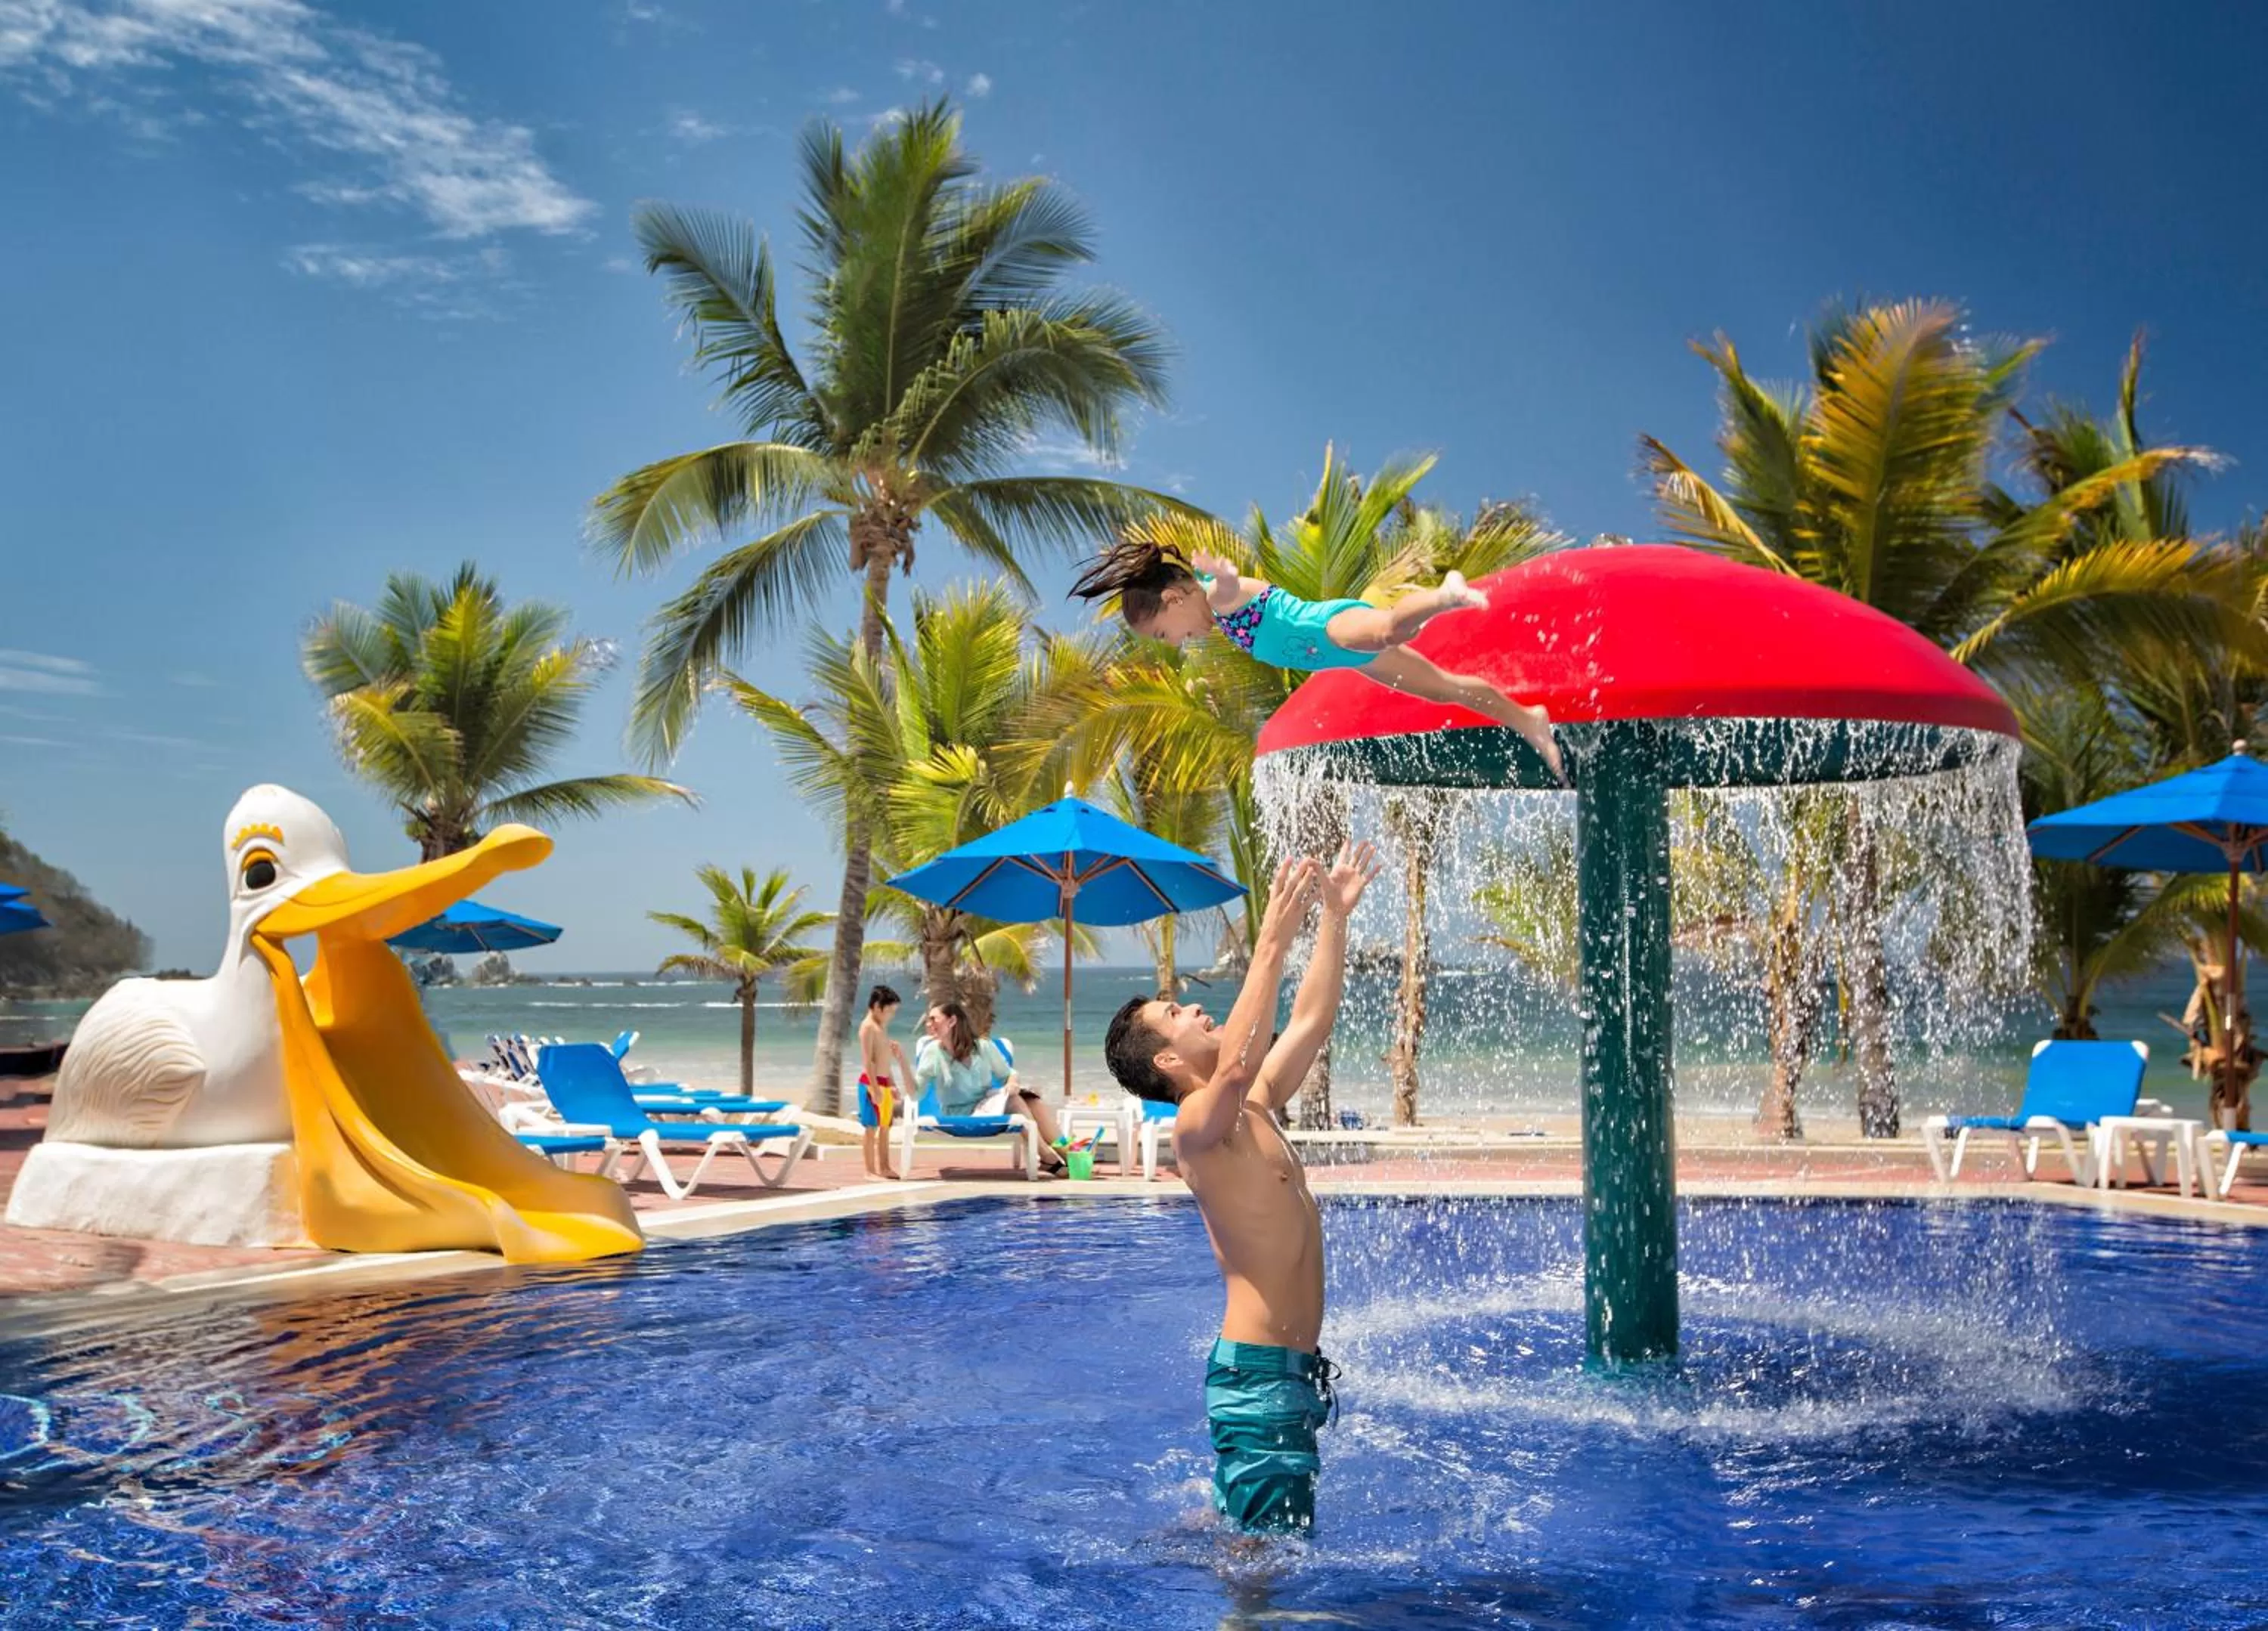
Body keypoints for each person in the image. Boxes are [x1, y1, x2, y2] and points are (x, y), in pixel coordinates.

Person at [1100, 842, 1380, 1537]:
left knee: (1257, 1540)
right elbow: (1231, 1070)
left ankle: (1187, 1537)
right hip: (1261, 1379)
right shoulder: (1197, 1124)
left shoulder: (1252, 1103)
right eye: (1175, 1013)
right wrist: (1274, 939)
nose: (1193, 1007)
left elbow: (1311, 1021)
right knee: (1265, 1567)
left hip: (1286, 1374)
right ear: (1167, 1060)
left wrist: (1335, 920)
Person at [1070, 537, 1563, 783]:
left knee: (1388, 626)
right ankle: (1528, 719)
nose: (1174, 642)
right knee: (1445, 687)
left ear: (1176, 599)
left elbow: (1226, 587)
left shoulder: (1217, 599)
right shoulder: (1215, 619)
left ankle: (1446, 596)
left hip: (1326, 628)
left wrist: (1220, 573)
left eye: (1163, 633)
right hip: (1342, 657)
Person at [913, 1001, 1069, 1176]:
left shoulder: (982, 1047)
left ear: (952, 1021)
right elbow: (916, 1092)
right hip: (958, 1115)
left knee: (1033, 1101)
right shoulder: (932, 1052)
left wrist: (1012, 1084)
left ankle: (1068, 1154)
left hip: (986, 1107)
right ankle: (1048, 1157)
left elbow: (1008, 1074)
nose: (928, 1024)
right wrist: (904, 1067)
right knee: (1015, 1100)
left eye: (934, 1019)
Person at [857, 985, 913, 1181]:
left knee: (885, 1127)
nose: (891, 1016)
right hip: (870, 1084)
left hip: (884, 1082)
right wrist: (874, 1088)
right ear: (877, 1007)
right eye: (890, 1011)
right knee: (871, 1128)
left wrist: (893, 1084)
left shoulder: (882, 1027)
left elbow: (884, 1061)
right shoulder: (867, 1027)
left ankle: (885, 1167)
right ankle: (869, 1171)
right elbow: (868, 1061)